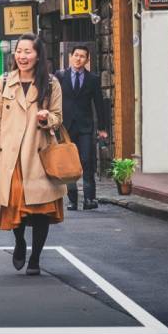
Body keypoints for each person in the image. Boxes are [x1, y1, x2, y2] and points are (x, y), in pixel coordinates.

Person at [0, 34, 65, 276]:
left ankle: (36, 258)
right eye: (19, 51)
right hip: (10, 156)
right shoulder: (4, 81)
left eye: (28, 52)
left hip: (39, 155)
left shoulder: (51, 83)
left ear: (38, 55)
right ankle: (19, 242)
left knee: (41, 209)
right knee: (15, 206)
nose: (22, 56)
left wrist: (46, 118)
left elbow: (58, 117)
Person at [55, 45, 108, 211]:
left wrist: (102, 127)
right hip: (66, 127)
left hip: (85, 126)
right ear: (70, 57)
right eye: (76, 55)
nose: (78, 59)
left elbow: (99, 104)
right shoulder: (60, 76)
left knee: (87, 161)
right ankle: (72, 200)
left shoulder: (92, 79)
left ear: (87, 60)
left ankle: (89, 199)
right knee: (69, 164)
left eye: (82, 56)